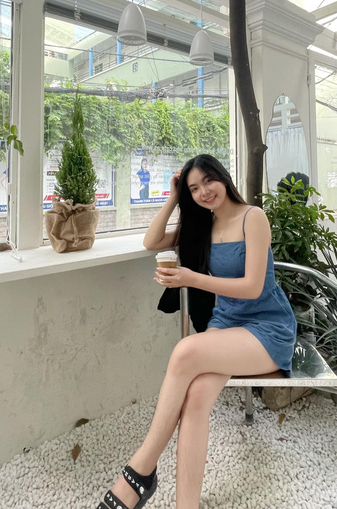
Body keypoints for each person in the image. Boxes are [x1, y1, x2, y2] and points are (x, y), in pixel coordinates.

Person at [96, 154, 297, 509]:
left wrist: (192, 278)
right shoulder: (203, 225)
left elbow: (253, 288)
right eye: (193, 188)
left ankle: (140, 470)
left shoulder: (253, 217)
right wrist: (173, 197)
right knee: (195, 398)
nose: (204, 192)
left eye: (208, 181)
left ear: (223, 177)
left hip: (267, 327)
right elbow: (151, 241)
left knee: (186, 350)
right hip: (227, 324)